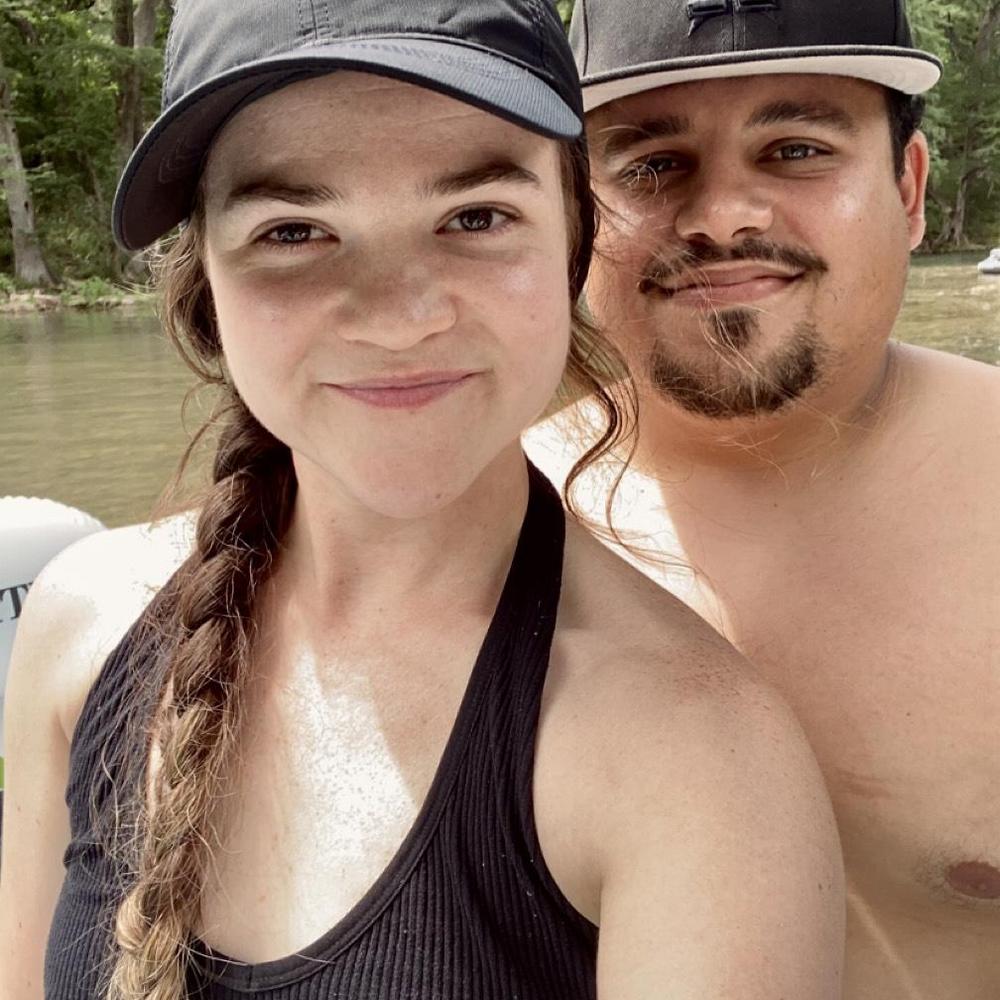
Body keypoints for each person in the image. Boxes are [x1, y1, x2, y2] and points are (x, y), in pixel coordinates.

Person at [0, 1, 844, 998]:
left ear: (572, 249)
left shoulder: (696, 757)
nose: (400, 317)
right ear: (207, 289)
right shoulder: (80, 621)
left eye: (475, 217)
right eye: (294, 230)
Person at [525, 0, 1000, 997]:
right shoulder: (475, 520)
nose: (723, 216)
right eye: (652, 164)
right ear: (572, 216)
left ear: (909, 190)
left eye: (795, 151)